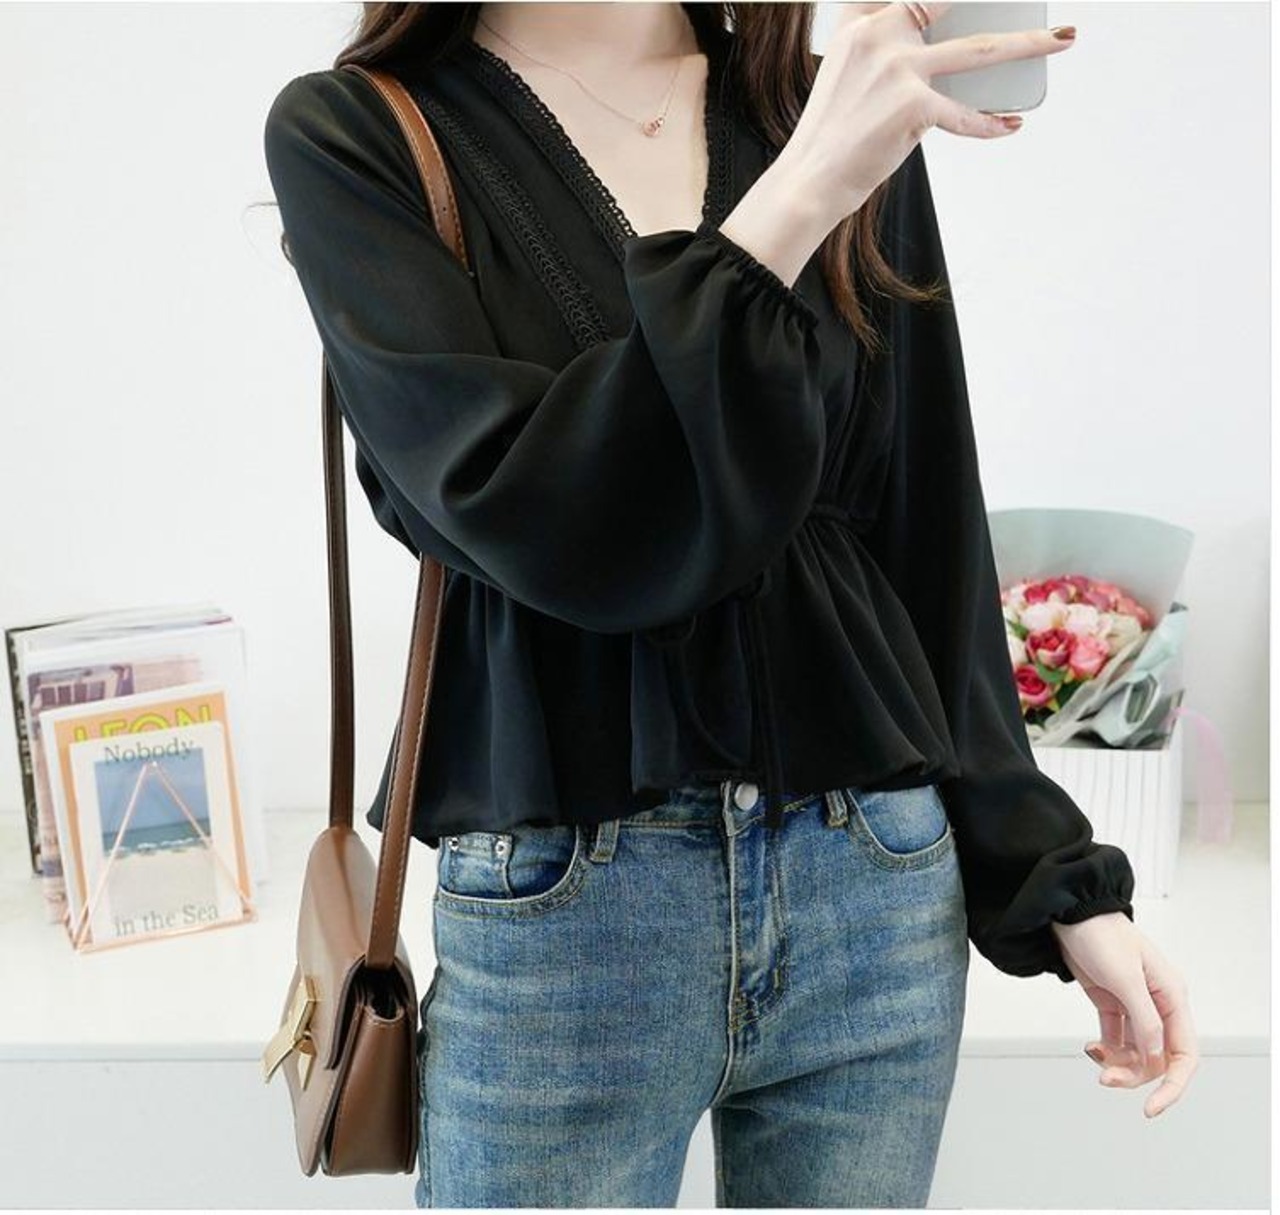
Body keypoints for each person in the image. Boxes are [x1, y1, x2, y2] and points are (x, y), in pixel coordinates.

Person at [263, 2, 1198, 1206]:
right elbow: (541, 517)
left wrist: (1054, 879)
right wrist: (794, 197)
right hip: (564, 918)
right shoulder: (360, 134)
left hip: (873, 887)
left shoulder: (820, 102)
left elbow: (922, 530)